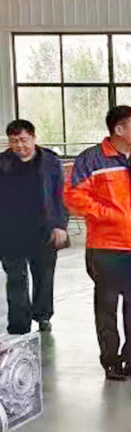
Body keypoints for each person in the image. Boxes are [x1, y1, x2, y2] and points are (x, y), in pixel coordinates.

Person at [64, 105, 131, 381]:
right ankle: (110, 361)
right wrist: (109, 215)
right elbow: (73, 197)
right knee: (107, 308)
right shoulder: (91, 159)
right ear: (119, 129)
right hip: (106, 248)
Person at [0, 120, 68, 335]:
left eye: (23, 140)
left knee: (44, 277)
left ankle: (42, 315)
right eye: (14, 141)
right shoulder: (2, 162)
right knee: (16, 279)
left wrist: (60, 225)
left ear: (34, 138)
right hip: (9, 232)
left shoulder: (50, 162)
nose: (19, 146)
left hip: (43, 230)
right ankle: (19, 326)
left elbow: (60, 196)